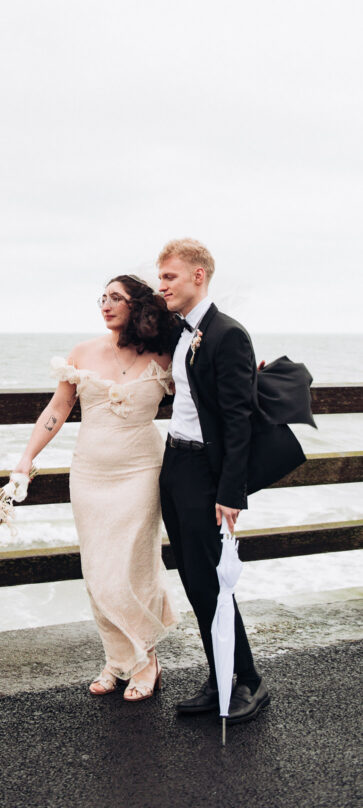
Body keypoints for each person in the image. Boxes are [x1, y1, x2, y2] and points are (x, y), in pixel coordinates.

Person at [157, 237, 301, 726]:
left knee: (215, 580)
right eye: (161, 277)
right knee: (194, 579)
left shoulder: (227, 334)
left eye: (170, 277)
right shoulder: (182, 332)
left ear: (198, 276)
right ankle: (219, 677)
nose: (163, 286)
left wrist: (230, 493)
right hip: (173, 465)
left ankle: (249, 682)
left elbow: (239, 421)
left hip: (204, 472)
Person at [14, 275, 178, 701]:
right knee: (99, 572)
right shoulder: (83, 353)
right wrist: (26, 458)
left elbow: (205, 392)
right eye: (102, 297)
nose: (105, 304)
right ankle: (115, 659)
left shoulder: (165, 353)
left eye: (116, 298)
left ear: (137, 306)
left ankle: (145, 662)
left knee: (135, 568)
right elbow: (59, 407)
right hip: (90, 474)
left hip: (141, 471)